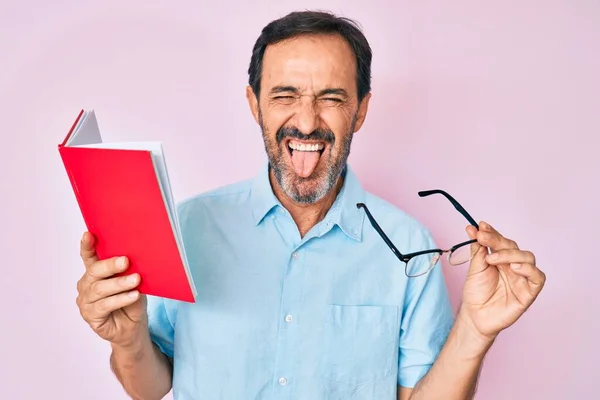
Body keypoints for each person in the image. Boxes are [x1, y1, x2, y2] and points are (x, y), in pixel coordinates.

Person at [74, 10, 546, 400]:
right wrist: (128, 340)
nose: (306, 121)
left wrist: (477, 331)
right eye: (285, 96)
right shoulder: (188, 227)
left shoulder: (409, 247)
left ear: (360, 110)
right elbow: (150, 387)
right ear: (254, 104)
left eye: (331, 98)